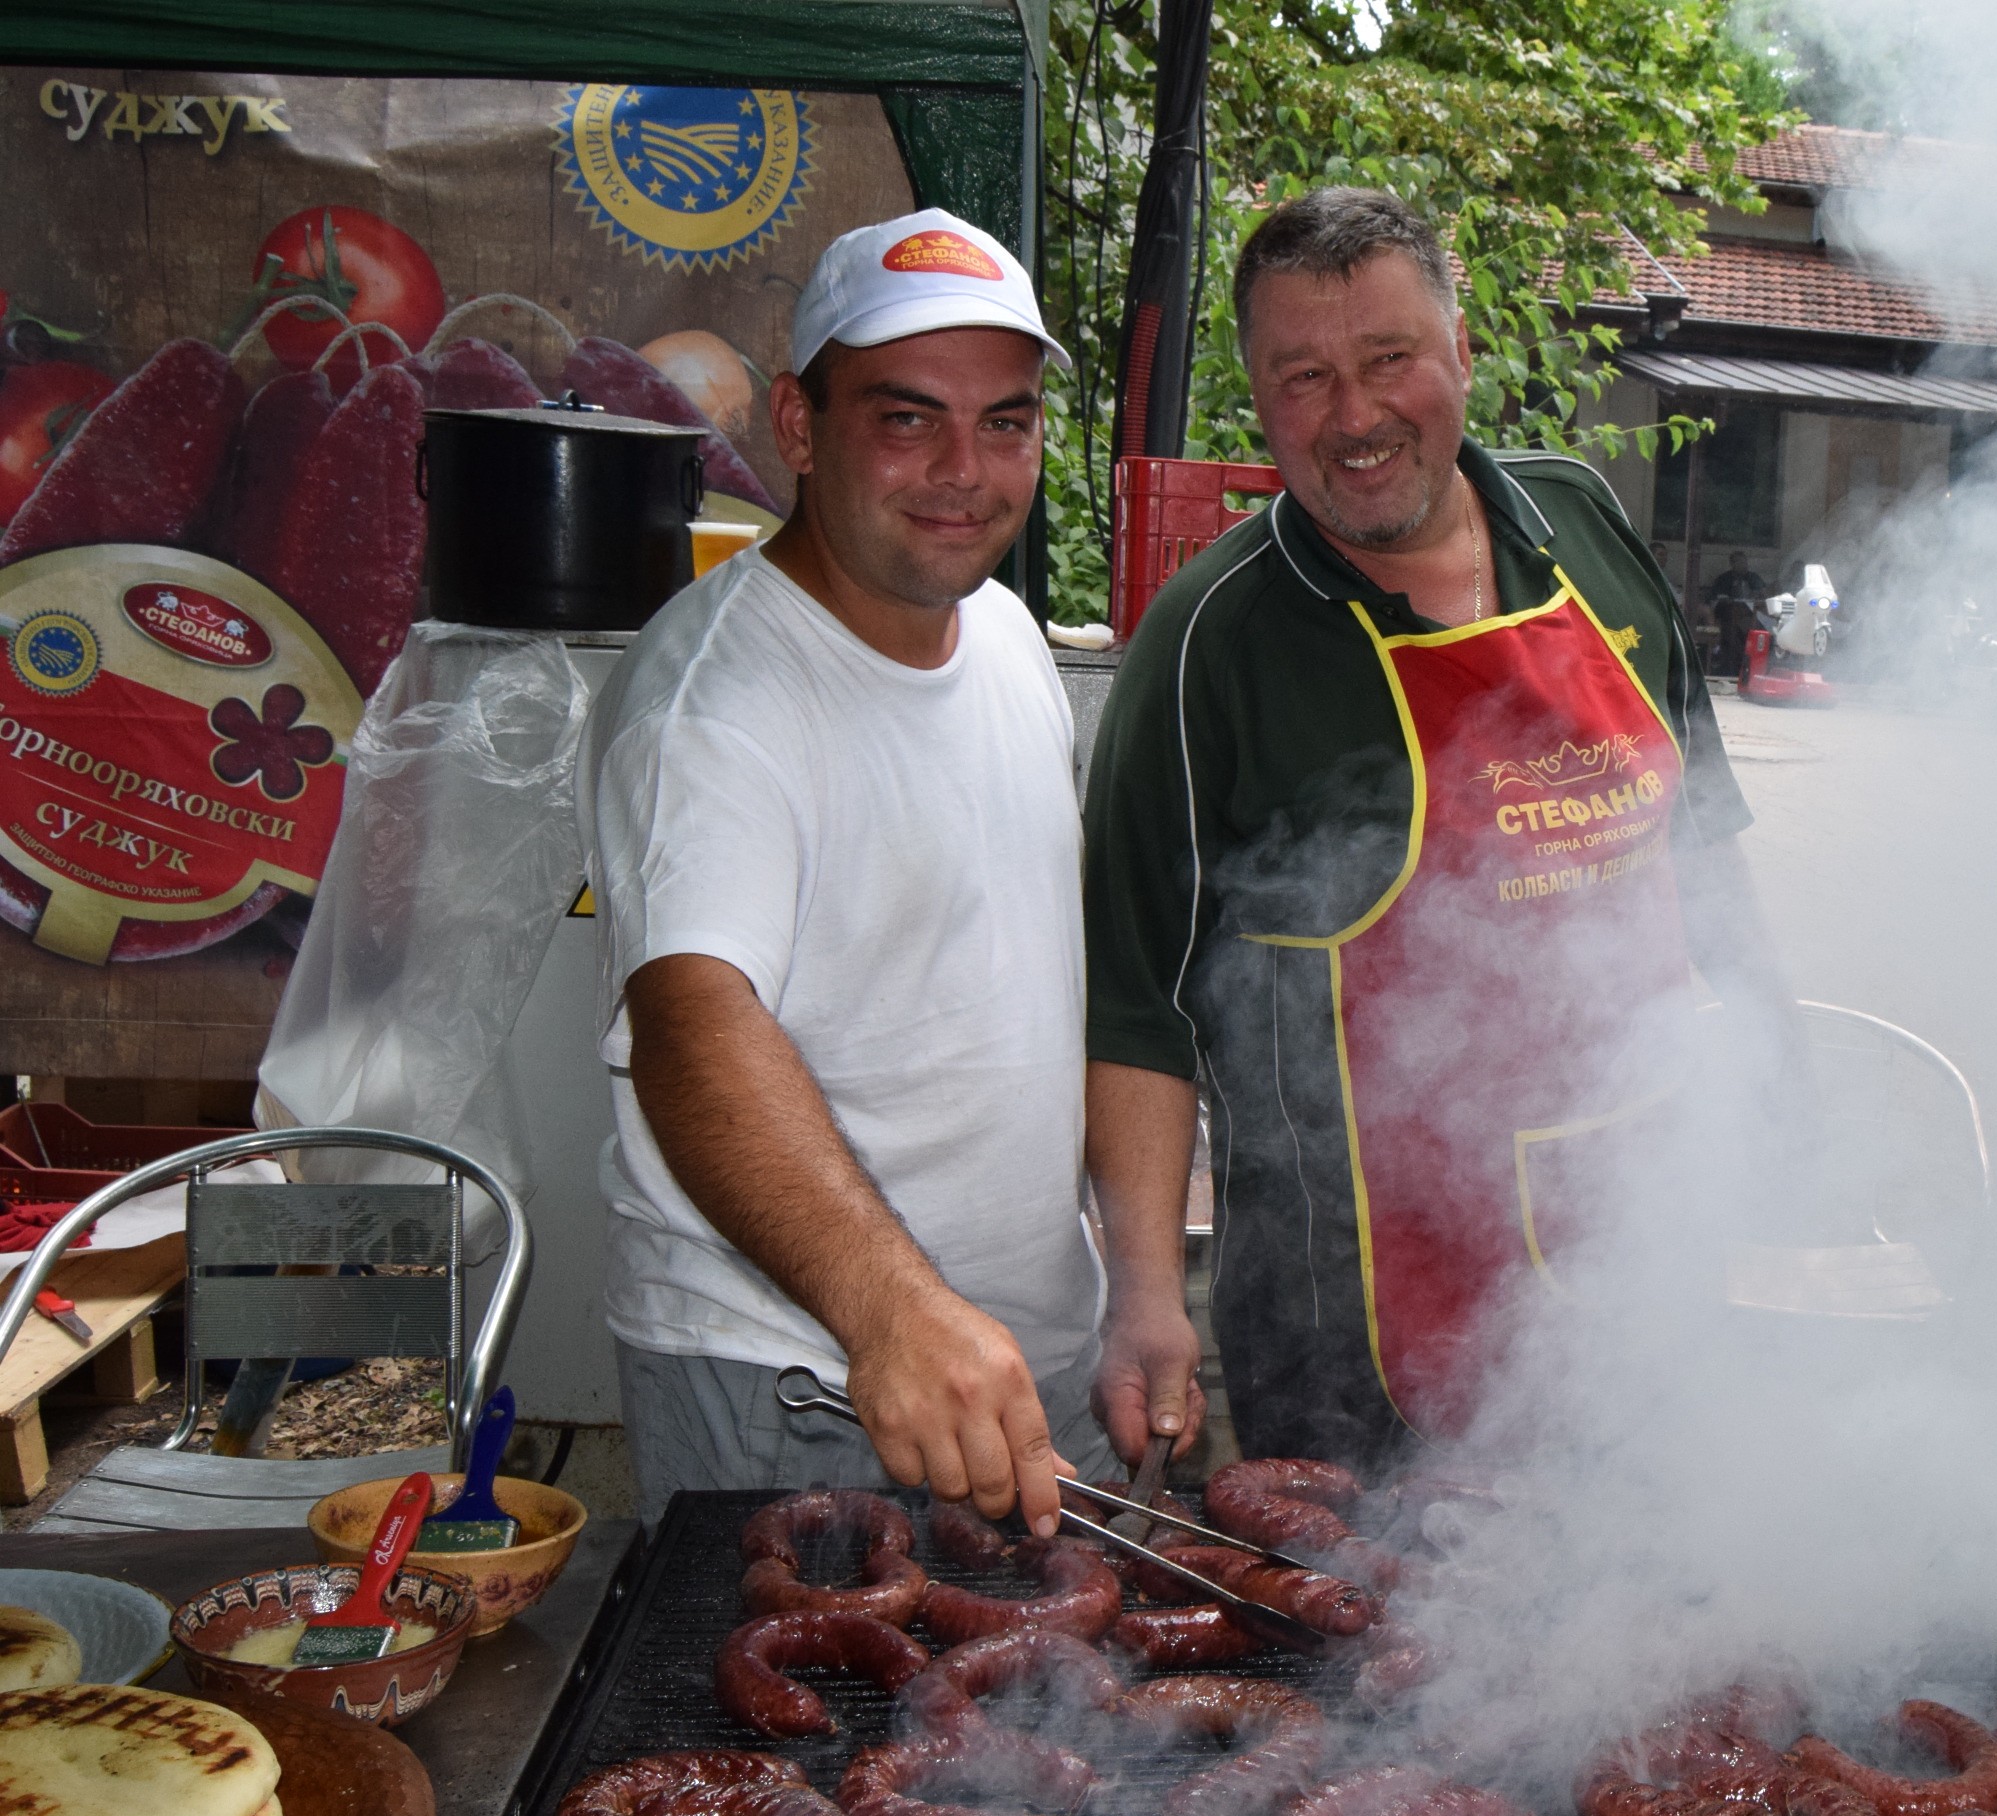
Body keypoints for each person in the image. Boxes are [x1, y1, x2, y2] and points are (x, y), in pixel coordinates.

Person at [1083, 188, 1801, 1475]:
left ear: (1462, 353)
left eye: (1388, 359)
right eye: (1303, 377)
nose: (1354, 418)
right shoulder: (1210, 644)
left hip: (1646, 1261)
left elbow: (1703, 848)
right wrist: (1144, 1291)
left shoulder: (1576, 522)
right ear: (1257, 399)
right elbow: (1139, 1011)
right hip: (1358, 1335)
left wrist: (1781, 1095)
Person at [583, 208, 1120, 1527]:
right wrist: (896, 1314)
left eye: (1007, 421)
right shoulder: (714, 707)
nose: (966, 468)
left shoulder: (999, 636)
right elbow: (694, 1031)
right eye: (906, 417)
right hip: (802, 1383)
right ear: (801, 425)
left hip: (1015, 1365)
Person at [1705, 551, 1770, 681]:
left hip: (1751, 615)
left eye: (1745, 562)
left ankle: (1757, 668)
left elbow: (1764, 594)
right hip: (1728, 616)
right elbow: (1716, 599)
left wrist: (1757, 594)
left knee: (1757, 630)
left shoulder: (1753, 577)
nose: (1743, 565)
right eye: (1739, 562)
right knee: (1732, 628)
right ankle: (1731, 668)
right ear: (1732, 564)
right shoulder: (1724, 578)